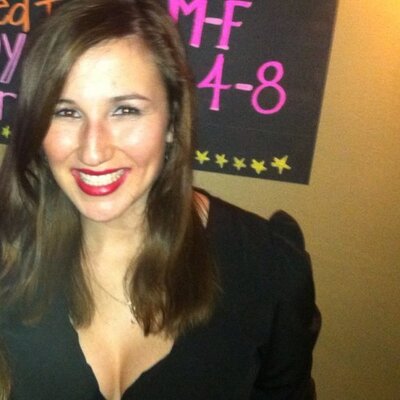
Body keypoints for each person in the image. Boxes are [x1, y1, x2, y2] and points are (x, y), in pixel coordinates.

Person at [0, 0, 320, 399]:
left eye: (125, 110)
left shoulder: (268, 270)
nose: (93, 151)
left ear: (172, 119)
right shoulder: (9, 254)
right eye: (66, 112)